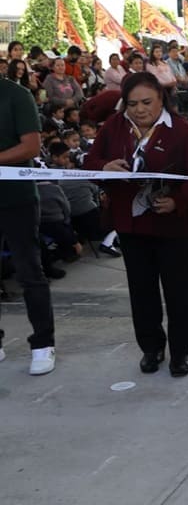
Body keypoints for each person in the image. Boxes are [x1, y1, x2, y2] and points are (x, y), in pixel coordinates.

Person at [84, 72, 188, 377]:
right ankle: (151, 348)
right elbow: (89, 163)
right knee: (142, 290)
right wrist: (104, 167)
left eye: (147, 102)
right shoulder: (113, 128)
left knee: (179, 292)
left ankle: (181, 353)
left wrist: (177, 200)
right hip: (132, 225)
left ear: (161, 99)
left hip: (174, 225)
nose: (140, 109)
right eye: (132, 103)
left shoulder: (181, 129)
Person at [0, 75, 57, 374]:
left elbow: (31, 146)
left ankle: (42, 344)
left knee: (29, 272)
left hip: (16, 199)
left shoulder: (16, 95)